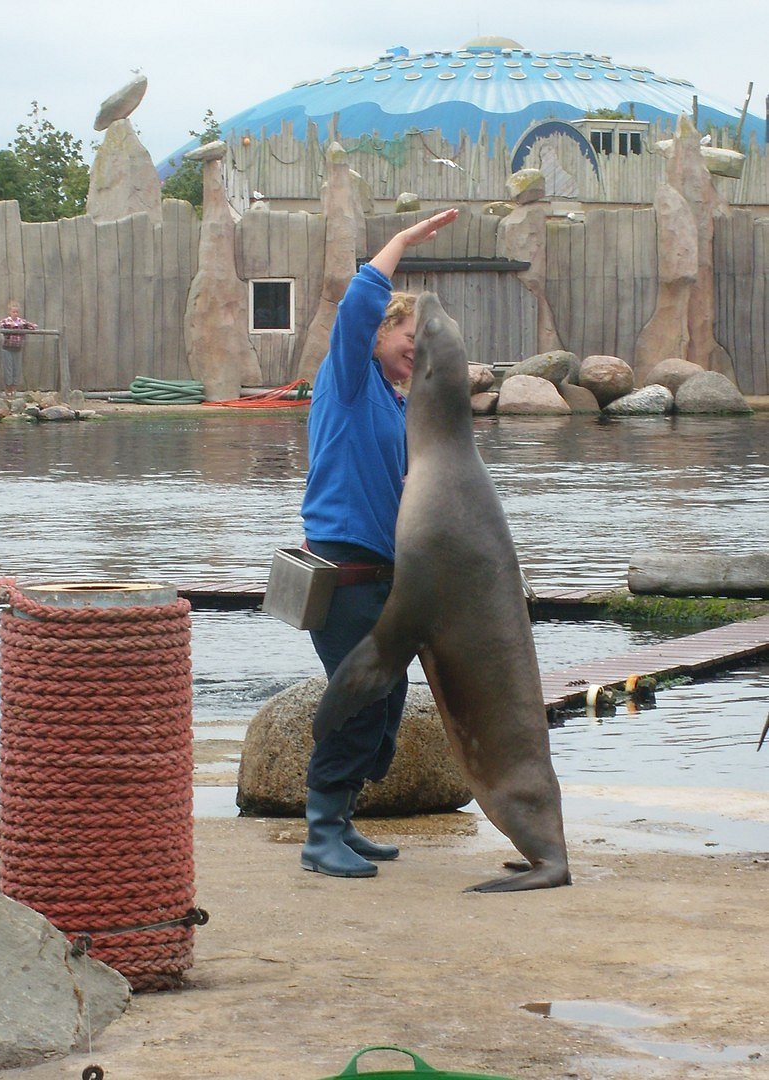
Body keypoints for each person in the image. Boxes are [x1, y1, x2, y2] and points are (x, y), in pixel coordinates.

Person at [299, 206, 459, 878]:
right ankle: (320, 833)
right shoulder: (350, 379)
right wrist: (401, 243)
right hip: (343, 576)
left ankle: (344, 819)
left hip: (387, 579)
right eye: (406, 333)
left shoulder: (396, 406)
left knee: (388, 703)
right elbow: (359, 303)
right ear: (380, 332)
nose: (415, 348)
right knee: (360, 699)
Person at [0, 301, 37, 397]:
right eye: (13, 312)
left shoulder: (21, 322)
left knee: (16, 369)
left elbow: (32, 326)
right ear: (9, 312)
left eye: (16, 312)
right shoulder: (6, 321)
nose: (15, 314)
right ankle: (8, 389)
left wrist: (30, 326)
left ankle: (14, 389)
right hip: (7, 348)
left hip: (17, 348)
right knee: (8, 369)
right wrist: (10, 327)